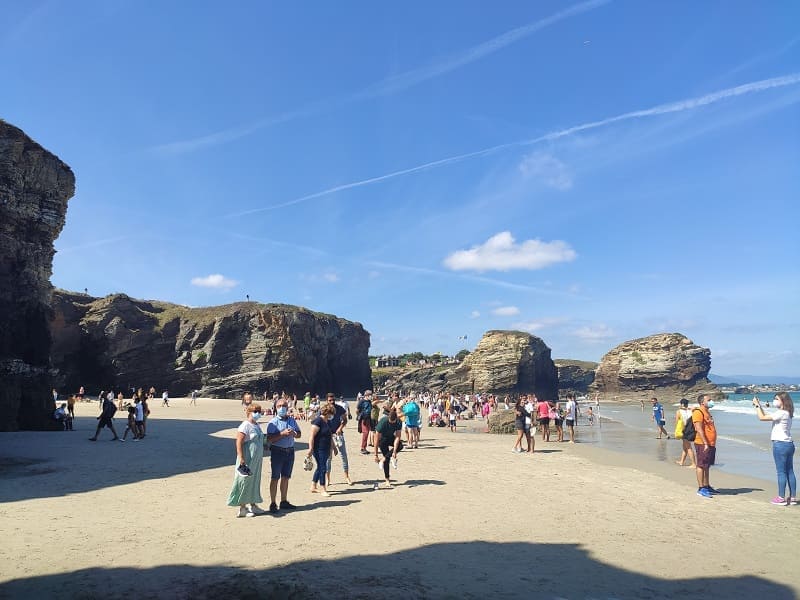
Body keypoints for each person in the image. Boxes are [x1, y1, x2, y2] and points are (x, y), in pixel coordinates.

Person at [753, 393, 796, 506]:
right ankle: (792, 497)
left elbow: (762, 418)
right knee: (790, 471)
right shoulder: (788, 413)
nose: (774, 401)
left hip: (780, 445)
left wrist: (757, 406)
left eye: (776, 399)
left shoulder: (781, 413)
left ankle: (781, 498)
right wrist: (759, 406)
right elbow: (767, 415)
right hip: (789, 444)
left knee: (781, 472)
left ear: (783, 401)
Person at [227, 399, 267, 517]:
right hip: (247, 458)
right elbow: (238, 441)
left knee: (254, 481)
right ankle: (242, 508)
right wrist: (241, 457)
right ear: (249, 412)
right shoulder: (245, 425)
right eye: (256, 411)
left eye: (260, 411)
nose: (259, 413)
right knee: (244, 481)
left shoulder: (257, 425)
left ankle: (253, 505)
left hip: (256, 459)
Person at [266, 397, 302, 513]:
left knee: (286, 477)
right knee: (275, 477)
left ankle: (284, 501)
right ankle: (272, 502)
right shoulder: (273, 422)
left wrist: (294, 433)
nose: (282, 408)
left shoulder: (291, 420)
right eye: (279, 406)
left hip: (290, 451)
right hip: (277, 451)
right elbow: (270, 439)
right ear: (276, 408)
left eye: (284, 406)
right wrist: (282, 434)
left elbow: (299, 434)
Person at [307, 403, 336, 496]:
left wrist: (334, 447)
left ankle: (313, 486)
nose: (332, 416)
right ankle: (323, 488)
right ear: (327, 412)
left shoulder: (328, 421)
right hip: (318, 449)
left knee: (320, 467)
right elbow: (311, 436)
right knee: (323, 468)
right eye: (331, 413)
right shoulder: (318, 421)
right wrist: (310, 448)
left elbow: (330, 435)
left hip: (326, 448)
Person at [324, 393, 352, 486]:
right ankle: (328, 478)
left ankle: (347, 476)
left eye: (333, 400)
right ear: (327, 401)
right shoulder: (324, 409)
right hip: (328, 435)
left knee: (343, 455)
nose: (332, 402)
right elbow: (322, 422)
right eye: (330, 400)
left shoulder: (339, 408)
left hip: (338, 435)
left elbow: (345, 420)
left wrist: (340, 428)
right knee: (328, 458)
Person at [693, 394, 718, 498]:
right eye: (709, 400)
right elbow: (699, 429)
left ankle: (707, 486)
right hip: (702, 443)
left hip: (710, 443)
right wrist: (705, 443)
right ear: (702, 402)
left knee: (707, 466)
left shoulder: (708, 412)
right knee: (701, 465)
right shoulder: (698, 412)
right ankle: (701, 488)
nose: (711, 401)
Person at [375, 405, 402, 488]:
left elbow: (397, 437)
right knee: (387, 461)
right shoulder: (383, 422)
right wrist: (375, 454)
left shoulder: (398, 422)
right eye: (390, 421)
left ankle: (383, 459)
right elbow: (376, 439)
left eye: (393, 422)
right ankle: (387, 479)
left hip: (390, 437)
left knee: (400, 446)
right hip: (382, 439)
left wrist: (394, 452)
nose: (391, 423)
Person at [675, 399, 696, 467]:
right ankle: (681, 461)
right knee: (685, 447)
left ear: (682, 404)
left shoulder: (678, 411)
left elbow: (677, 422)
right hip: (690, 430)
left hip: (684, 430)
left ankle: (693, 464)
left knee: (688, 447)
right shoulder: (691, 411)